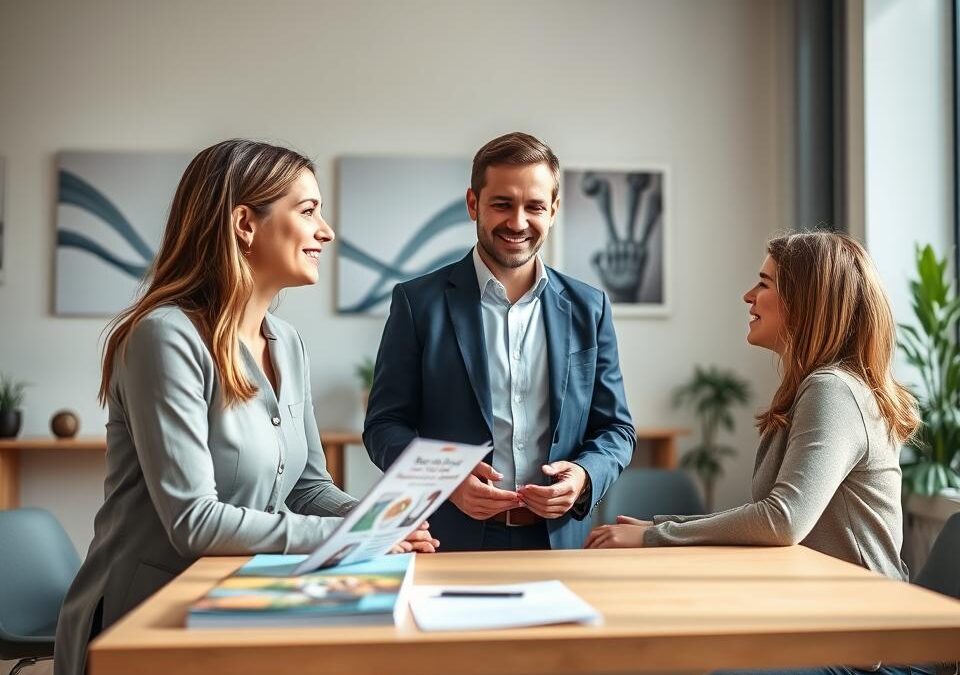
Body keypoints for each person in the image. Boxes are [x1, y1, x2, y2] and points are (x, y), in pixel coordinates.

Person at [55, 140, 437, 675]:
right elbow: (194, 522)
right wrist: (357, 539)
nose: (326, 232)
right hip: (147, 621)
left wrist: (376, 519)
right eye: (308, 211)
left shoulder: (287, 341)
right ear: (244, 224)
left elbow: (306, 487)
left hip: (247, 598)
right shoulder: (165, 337)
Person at [586, 231, 916, 586]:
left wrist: (656, 535)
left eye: (764, 283)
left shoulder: (833, 390)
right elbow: (774, 517)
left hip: (868, 613)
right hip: (830, 599)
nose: (748, 296)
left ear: (804, 302)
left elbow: (783, 519)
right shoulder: (826, 387)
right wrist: (662, 527)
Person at [363, 131, 635, 552]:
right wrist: (444, 482)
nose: (518, 222)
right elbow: (383, 426)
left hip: (559, 542)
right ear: (474, 204)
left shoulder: (590, 307)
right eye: (503, 204)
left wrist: (583, 477)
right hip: (449, 540)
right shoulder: (417, 303)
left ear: (555, 209)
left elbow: (616, 428)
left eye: (534, 207)